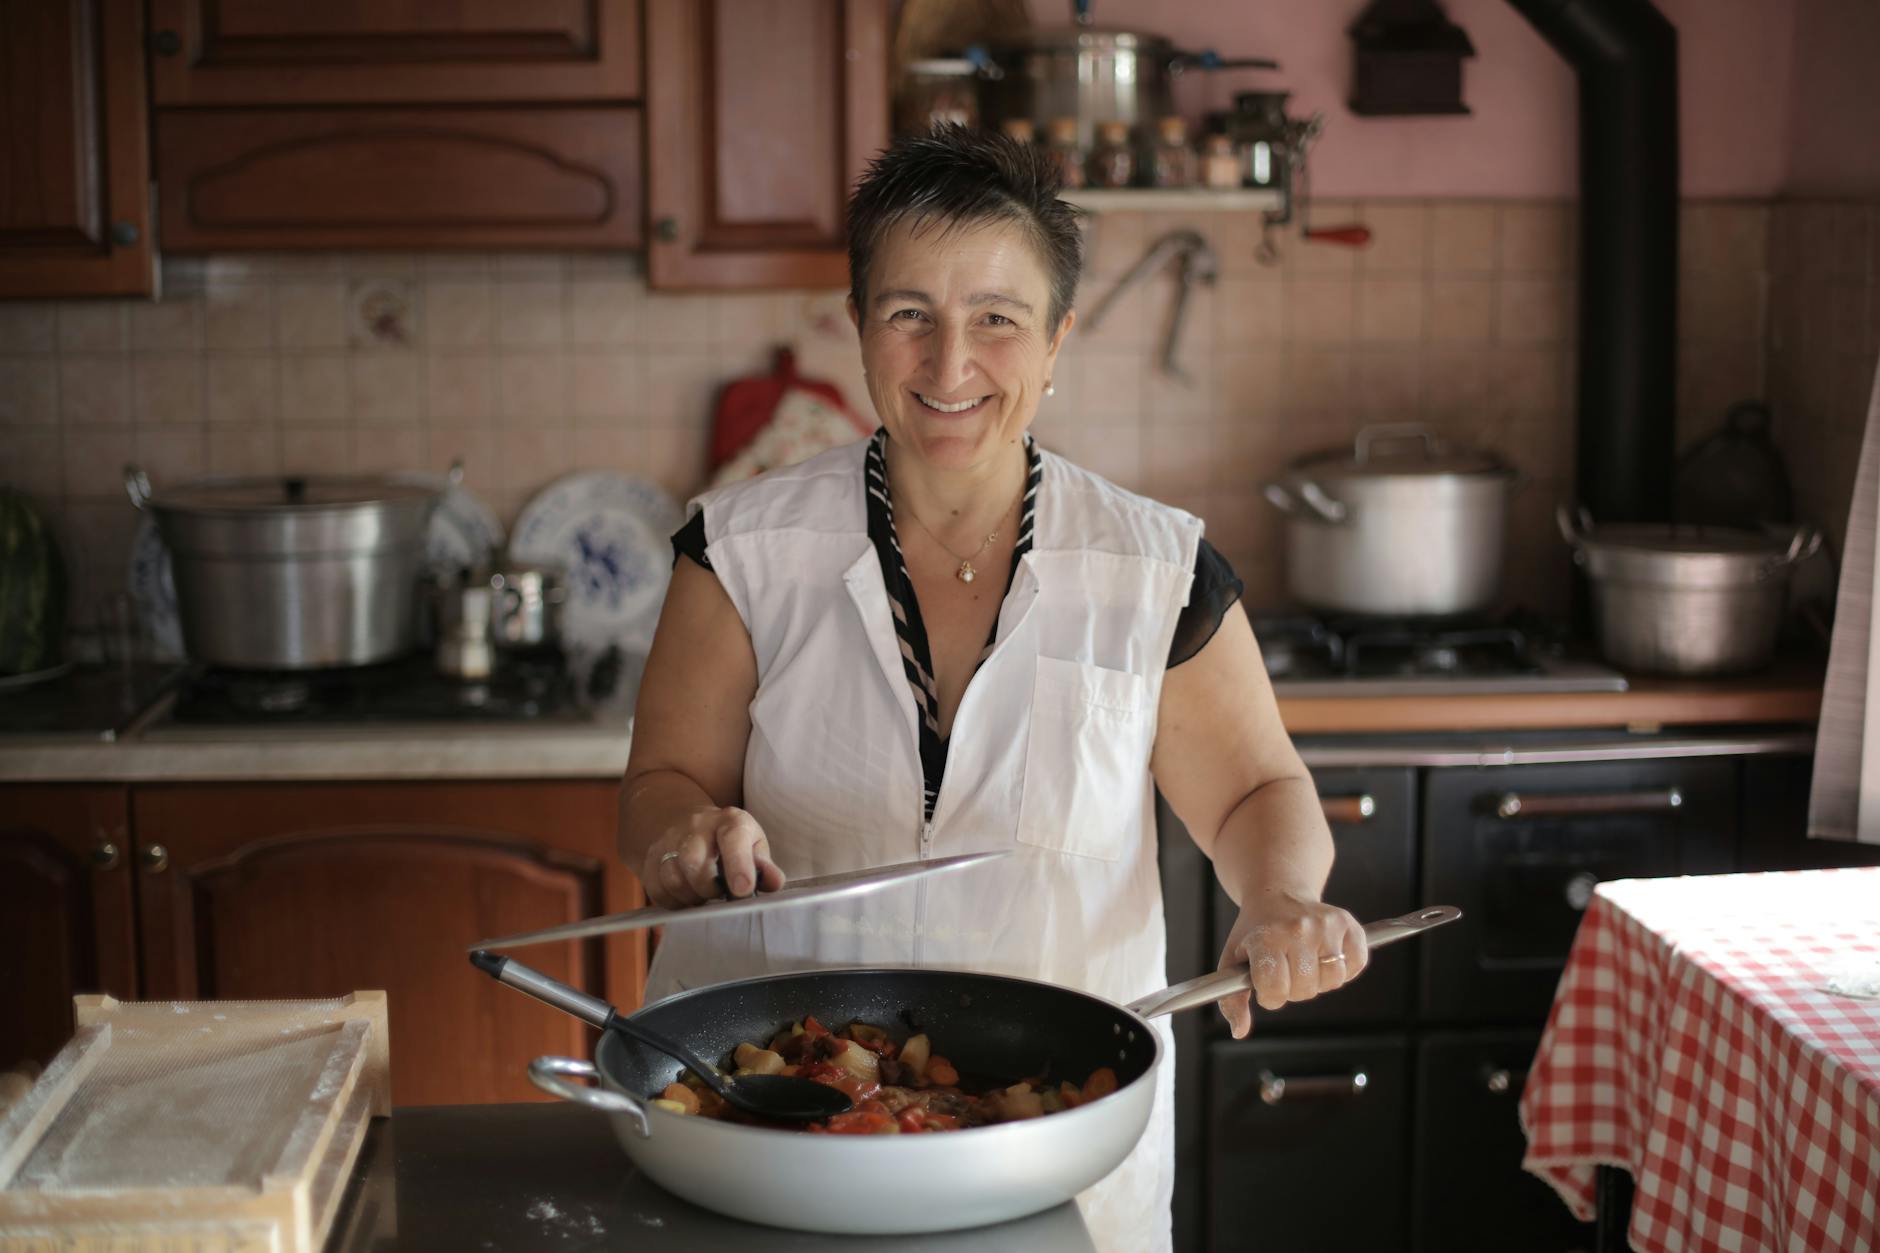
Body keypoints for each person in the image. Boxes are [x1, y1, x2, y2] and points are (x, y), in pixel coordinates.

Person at [620, 124, 1365, 1253]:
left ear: (1057, 341)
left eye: (996, 321)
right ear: (859, 324)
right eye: (908, 313)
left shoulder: (1153, 570)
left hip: (1053, 1149)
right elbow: (661, 782)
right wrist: (682, 828)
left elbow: (1255, 787)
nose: (949, 364)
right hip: (763, 1125)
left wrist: (1278, 895)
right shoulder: (737, 548)